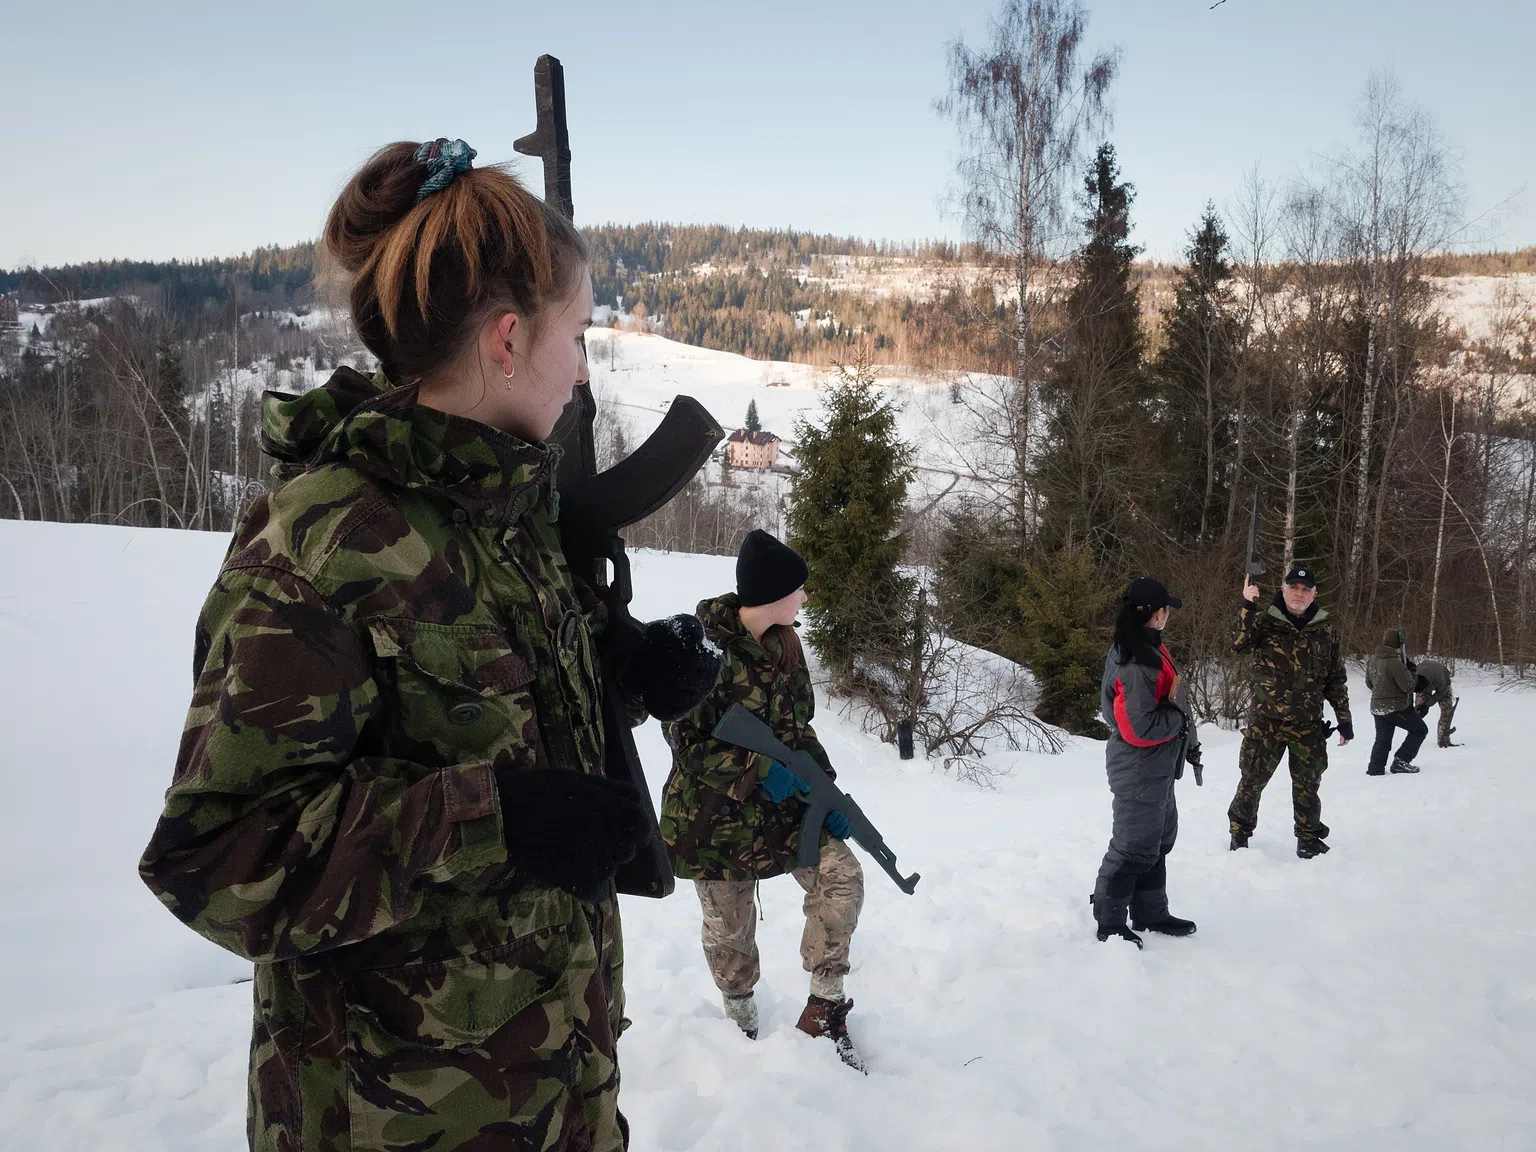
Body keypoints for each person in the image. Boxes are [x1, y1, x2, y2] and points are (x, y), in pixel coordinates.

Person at [137, 139, 718, 1152]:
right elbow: (219, 857)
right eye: (576, 337)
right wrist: (489, 820)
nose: (583, 371)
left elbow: (482, 709)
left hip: (553, 1094)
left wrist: (619, 670)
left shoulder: (509, 521)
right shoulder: (320, 543)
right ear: (506, 341)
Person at [659, 529, 868, 1072]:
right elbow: (683, 741)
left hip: (781, 812)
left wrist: (827, 790)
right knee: (730, 935)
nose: (805, 599)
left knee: (841, 877)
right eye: (799, 590)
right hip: (713, 819)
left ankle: (825, 1008)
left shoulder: (787, 645)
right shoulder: (701, 646)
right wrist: (757, 771)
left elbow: (799, 729)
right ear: (773, 594)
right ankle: (740, 1026)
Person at [1091, 577, 1202, 948]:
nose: (1167, 615)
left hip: (1156, 766)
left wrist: (1185, 737)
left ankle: (1151, 911)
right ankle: (1109, 921)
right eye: (1164, 609)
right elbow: (1139, 728)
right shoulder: (1137, 661)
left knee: (1157, 840)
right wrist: (1178, 720)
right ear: (1153, 615)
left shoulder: (1147, 646)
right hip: (1139, 766)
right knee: (1133, 846)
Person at [1228, 565, 1353, 859]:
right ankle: (1240, 834)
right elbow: (1239, 643)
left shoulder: (1325, 630)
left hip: (1307, 725)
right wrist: (1248, 604)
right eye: (1293, 588)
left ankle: (1308, 839)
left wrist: (1344, 719)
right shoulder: (1265, 622)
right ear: (1283, 590)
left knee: (1308, 786)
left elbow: (1335, 678)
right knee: (1251, 781)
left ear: (1314, 594)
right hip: (1265, 722)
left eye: (1305, 589)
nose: (1299, 593)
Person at [1364, 628, 1427, 775]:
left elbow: (1369, 683)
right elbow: (1409, 686)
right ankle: (1401, 761)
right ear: (1398, 646)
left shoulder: (1372, 659)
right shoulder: (1395, 663)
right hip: (1396, 707)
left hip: (1377, 707)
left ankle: (1375, 768)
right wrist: (1411, 671)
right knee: (1419, 730)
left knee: (1382, 739)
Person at [1414, 657, 1457, 748]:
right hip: (1424, 677)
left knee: (1447, 711)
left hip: (1443, 683)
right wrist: (1420, 707)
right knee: (1418, 710)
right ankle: (1413, 736)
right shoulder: (1414, 675)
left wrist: (1427, 705)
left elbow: (1441, 692)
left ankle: (1444, 739)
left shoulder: (1440, 679)